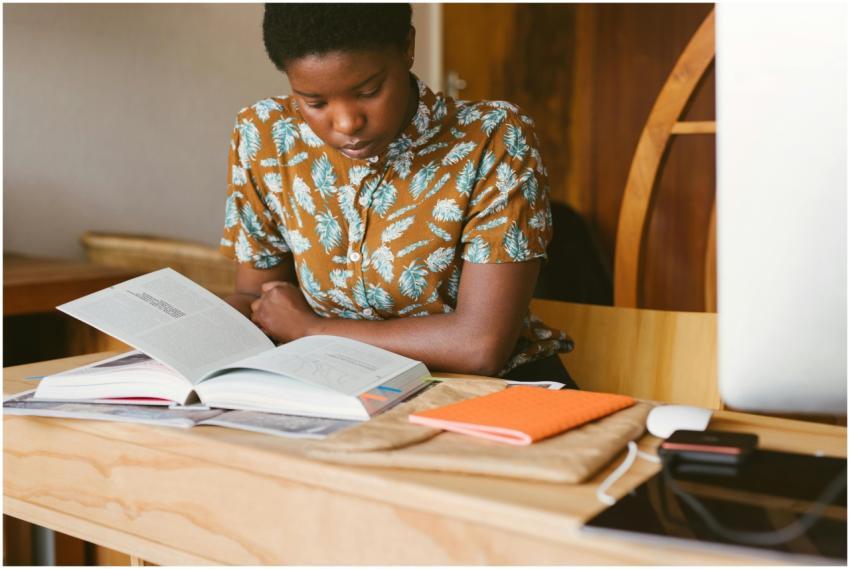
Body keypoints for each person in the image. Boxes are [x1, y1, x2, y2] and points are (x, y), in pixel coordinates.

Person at [219, 3, 576, 385]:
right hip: (338, 387)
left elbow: (480, 345)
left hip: (489, 393)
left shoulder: (493, 138)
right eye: (315, 102)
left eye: (369, 91)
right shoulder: (266, 136)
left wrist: (313, 331)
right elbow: (263, 301)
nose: (346, 123)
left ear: (407, 47)